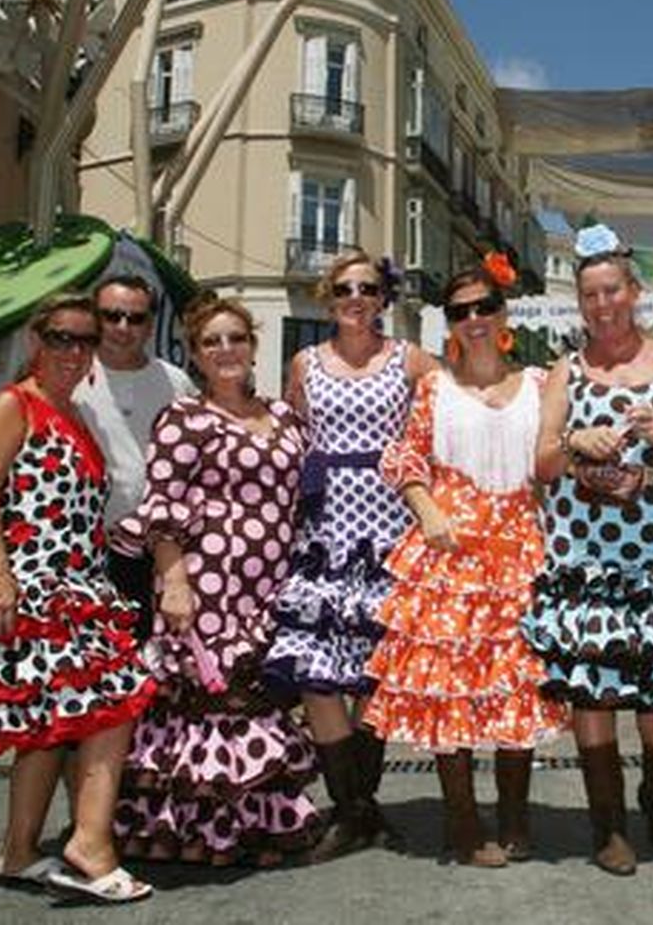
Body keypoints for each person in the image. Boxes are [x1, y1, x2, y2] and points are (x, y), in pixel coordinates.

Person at [0, 293, 155, 903]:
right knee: (114, 703)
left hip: (81, 584)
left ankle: (18, 850)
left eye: (84, 340)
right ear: (36, 339)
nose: (73, 350)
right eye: (60, 337)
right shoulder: (13, 405)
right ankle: (90, 842)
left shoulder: (75, 415)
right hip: (34, 585)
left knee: (46, 726)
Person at [364, 255, 568, 868]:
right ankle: (461, 821)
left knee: (517, 687)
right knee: (449, 691)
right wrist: (427, 511)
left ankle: (514, 816)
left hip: (517, 549)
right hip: (449, 550)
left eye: (484, 307)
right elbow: (402, 460)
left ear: (503, 312)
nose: (474, 319)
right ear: (449, 323)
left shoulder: (537, 384)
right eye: (460, 312)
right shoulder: (434, 388)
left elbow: (554, 463)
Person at [523, 224, 653, 875]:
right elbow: (542, 463)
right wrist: (578, 442)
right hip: (586, 551)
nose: (602, 305)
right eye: (589, 296)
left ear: (634, 292)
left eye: (612, 291)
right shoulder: (565, 370)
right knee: (593, 692)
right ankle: (609, 827)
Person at [110, 295, 321, 865]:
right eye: (211, 342)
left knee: (253, 700)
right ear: (196, 355)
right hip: (205, 581)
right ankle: (196, 833)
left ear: (253, 346)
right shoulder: (183, 419)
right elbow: (161, 509)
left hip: (269, 584)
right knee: (204, 703)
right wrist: (173, 580)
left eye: (235, 338)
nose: (225, 350)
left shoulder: (284, 417)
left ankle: (251, 824)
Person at [264, 248, 436, 860]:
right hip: (326, 528)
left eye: (367, 287)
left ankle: (357, 811)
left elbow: (448, 418)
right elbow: (290, 440)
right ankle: (356, 807)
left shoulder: (411, 359)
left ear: (384, 297)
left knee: (376, 674)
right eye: (344, 289)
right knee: (317, 672)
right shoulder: (305, 362)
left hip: (390, 526)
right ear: (329, 299)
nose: (356, 298)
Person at [73, 274, 196, 645]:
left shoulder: (176, 384)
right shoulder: (68, 376)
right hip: (82, 550)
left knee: (146, 667)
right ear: (95, 317)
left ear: (150, 324)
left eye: (136, 318)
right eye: (112, 316)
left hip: (156, 553)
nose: (123, 327)